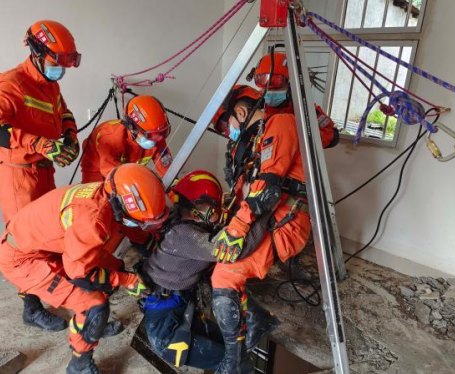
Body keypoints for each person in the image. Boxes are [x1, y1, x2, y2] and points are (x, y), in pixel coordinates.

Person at [0, 163, 168, 374]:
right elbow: (81, 275)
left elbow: (132, 229)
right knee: (93, 305)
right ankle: (79, 363)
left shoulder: (109, 193)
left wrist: (156, 250)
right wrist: (128, 280)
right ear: (122, 206)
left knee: (115, 266)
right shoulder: (93, 220)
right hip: (23, 260)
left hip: (46, 245)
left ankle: (93, 327)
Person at [210, 85, 311, 373]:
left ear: (240, 113)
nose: (226, 130)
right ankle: (256, 319)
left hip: (284, 221)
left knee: (224, 274)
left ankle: (235, 362)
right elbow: (247, 192)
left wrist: (236, 228)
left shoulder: (280, 124)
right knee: (217, 252)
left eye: (226, 123)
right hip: (269, 216)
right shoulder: (256, 142)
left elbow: (266, 189)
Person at [140, 170, 278, 373]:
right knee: (231, 363)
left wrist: (243, 206)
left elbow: (223, 232)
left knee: (235, 350)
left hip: (177, 313)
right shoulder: (184, 236)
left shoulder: (183, 225)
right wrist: (264, 212)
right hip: (166, 332)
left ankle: (257, 318)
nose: (216, 212)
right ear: (197, 206)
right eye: (213, 207)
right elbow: (235, 249)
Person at [0, 20, 81, 332]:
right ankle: (31, 308)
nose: (60, 70)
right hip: (19, 179)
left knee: (49, 236)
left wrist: (70, 138)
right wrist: (39, 144)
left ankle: (61, 293)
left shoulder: (50, 84)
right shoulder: (11, 84)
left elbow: (64, 113)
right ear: (36, 53)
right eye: (55, 62)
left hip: (44, 173)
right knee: (25, 246)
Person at [253, 50, 339, 149]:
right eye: (265, 89)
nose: (269, 93)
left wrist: (300, 137)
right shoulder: (253, 106)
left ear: (291, 85)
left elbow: (333, 135)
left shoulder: (304, 108)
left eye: (276, 88)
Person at [80, 95, 173, 183]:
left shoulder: (157, 137)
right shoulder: (111, 138)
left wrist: (177, 194)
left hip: (125, 168)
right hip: (96, 168)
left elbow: (168, 173)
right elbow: (113, 176)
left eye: (162, 133)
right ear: (132, 128)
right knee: (100, 197)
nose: (158, 139)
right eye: (151, 135)